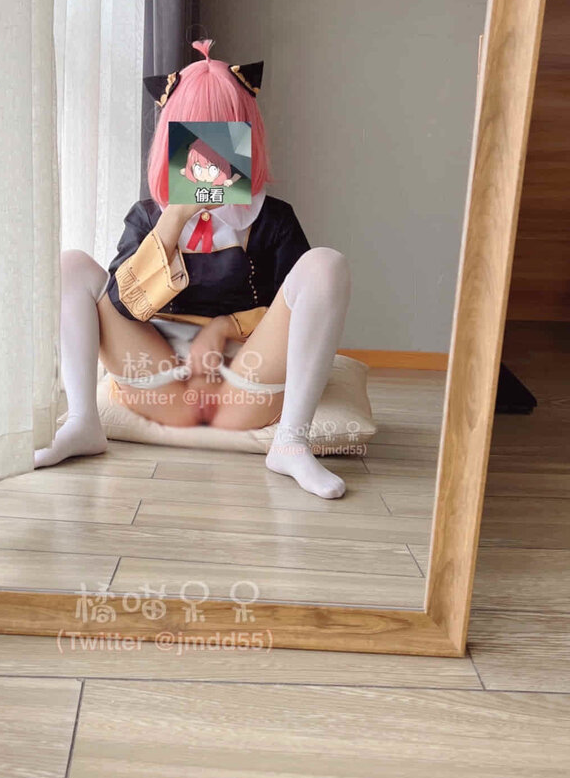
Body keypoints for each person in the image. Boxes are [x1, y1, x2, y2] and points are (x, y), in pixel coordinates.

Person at [34, 39, 351, 498]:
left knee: (326, 265)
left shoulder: (272, 220)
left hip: (243, 385)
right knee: (70, 266)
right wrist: (175, 218)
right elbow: (123, 306)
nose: (209, 155)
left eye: (225, 138)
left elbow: (295, 315)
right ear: (171, 143)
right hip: (159, 382)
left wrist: (222, 328)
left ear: (247, 140)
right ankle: (83, 421)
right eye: (193, 140)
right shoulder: (148, 217)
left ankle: (291, 442)